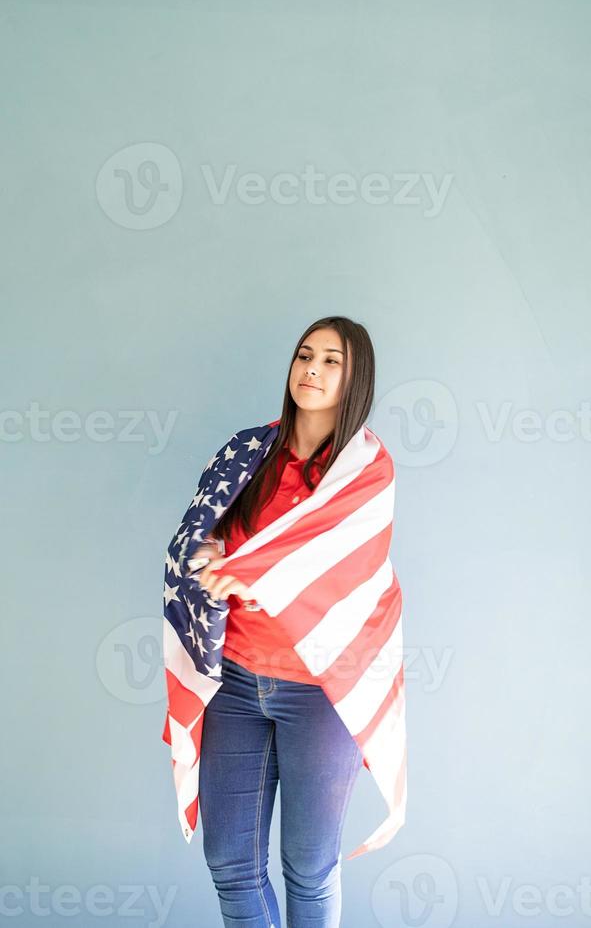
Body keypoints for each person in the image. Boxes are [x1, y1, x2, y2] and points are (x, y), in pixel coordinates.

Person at [188, 315, 376, 928]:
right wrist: (212, 553)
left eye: (331, 361)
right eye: (304, 356)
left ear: (355, 380)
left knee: (309, 864)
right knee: (231, 862)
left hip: (323, 689)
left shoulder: (364, 469)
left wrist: (247, 569)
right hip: (236, 682)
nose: (312, 371)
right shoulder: (247, 451)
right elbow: (199, 534)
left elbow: (330, 557)